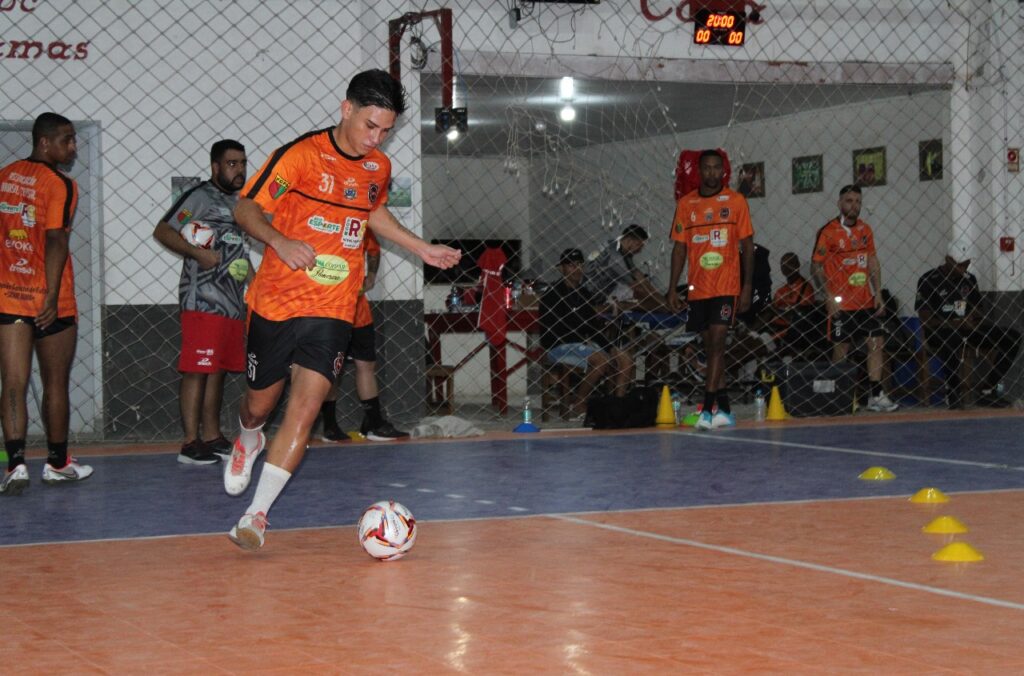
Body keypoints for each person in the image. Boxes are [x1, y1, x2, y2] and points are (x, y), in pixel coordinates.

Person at [223, 69, 460, 551]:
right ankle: (247, 438)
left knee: (306, 408)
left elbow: (372, 211)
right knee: (259, 405)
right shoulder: (300, 155)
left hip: (334, 306)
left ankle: (256, 516)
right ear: (345, 109)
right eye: (371, 126)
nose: (378, 138)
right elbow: (246, 208)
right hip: (276, 302)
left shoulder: (378, 168)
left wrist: (421, 248)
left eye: (387, 130)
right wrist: (279, 240)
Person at [0, 112, 93, 495]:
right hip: (52, 298)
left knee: (14, 381)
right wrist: (51, 297)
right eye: (67, 140)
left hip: (8, 294)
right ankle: (57, 463)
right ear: (44, 142)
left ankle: (16, 465)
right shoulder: (61, 184)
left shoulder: (5, 176)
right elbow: (57, 240)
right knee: (56, 382)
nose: (73, 147)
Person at [153, 139, 250, 465]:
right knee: (197, 369)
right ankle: (190, 442)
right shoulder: (198, 196)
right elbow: (164, 230)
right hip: (203, 301)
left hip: (233, 304)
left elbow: (238, 251)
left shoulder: (241, 203)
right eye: (232, 164)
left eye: (242, 163)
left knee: (218, 370)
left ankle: (212, 435)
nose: (239, 170)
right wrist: (197, 253)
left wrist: (256, 284)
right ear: (215, 167)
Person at [666, 149, 754, 430]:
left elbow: (748, 247)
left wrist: (747, 285)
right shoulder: (686, 204)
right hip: (698, 288)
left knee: (717, 343)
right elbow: (679, 248)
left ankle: (707, 409)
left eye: (718, 168)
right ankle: (725, 409)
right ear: (699, 171)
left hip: (726, 286)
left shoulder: (736, 202)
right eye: (707, 168)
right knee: (709, 347)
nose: (712, 173)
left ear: (723, 171)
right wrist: (671, 289)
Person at [811, 184, 899, 412]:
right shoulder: (828, 231)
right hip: (841, 304)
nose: (854, 205)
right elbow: (816, 266)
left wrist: (877, 292)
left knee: (876, 343)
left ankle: (876, 395)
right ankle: (838, 395)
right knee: (842, 349)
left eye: (858, 201)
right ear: (840, 204)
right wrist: (828, 296)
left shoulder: (865, 230)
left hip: (865, 301)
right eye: (849, 201)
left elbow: (872, 260)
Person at [319, 229, 409, 442]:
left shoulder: (358, 224)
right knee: (333, 368)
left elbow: (374, 250)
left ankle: (374, 423)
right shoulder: (322, 226)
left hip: (359, 312)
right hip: (330, 310)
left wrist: (371, 275)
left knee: (366, 366)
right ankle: (330, 427)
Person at [915, 241, 1020, 408]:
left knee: (1013, 337)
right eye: (960, 264)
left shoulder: (969, 280)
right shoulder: (929, 280)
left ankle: (988, 389)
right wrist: (955, 323)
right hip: (941, 331)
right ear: (948, 259)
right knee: (952, 339)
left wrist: (972, 318)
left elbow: (978, 309)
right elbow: (926, 319)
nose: (964, 268)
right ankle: (953, 391)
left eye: (966, 263)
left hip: (967, 329)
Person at [540, 248, 633, 419]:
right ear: (561, 268)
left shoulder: (584, 294)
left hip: (581, 345)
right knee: (601, 360)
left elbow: (592, 328)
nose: (576, 269)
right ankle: (578, 403)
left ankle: (617, 406)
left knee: (624, 358)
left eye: (579, 265)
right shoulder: (552, 294)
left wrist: (610, 347)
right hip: (557, 346)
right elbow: (548, 332)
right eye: (570, 265)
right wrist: (582, 339)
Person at [583, 224, 668, 311]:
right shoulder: (615, 255)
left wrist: (664, 301)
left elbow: (640, 277)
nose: (640, 250)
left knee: (641, 297)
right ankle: (595, 310)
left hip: (599, 295)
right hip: (588, 297)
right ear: (629, 240)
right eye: (639, 245)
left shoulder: (621, 250)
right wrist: (663, 304)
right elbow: (638, 287)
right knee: (637, 299)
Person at [770, 251, 823, 357]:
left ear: (797, 265)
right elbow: (771, 311)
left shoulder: (805, 288)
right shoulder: (780, 291)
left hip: (791, 330)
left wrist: (775, 310)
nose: (786, 268)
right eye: (783, 265)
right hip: (773, 327)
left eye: (790, 263)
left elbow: (800, 314)